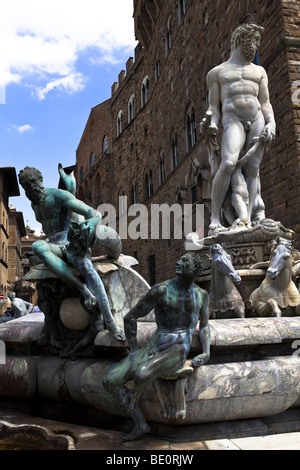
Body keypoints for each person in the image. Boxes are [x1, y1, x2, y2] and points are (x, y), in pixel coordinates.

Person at [103, 253, 210, 441]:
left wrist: (206, 352)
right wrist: (135, 349)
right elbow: (130, 317)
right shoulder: (161, 290)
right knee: (110, 381)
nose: (178, 261)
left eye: (184, 261)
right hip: (155, 345)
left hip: (178, 348)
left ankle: (133, 397)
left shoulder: (201, 295)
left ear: (195, 270)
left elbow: (205, 326)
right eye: (180, 259)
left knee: (142, 374)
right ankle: (140, 424)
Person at [18, 166, 125, 342]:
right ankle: (83, 290)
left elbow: (93, 212)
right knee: (37, 246)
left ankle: (110, 321)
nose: (29, 188)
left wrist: (91, 223)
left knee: (85, 267)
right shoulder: (34, 204)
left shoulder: (58, 195)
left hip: (70, 241)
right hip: (53, 244)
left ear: (40, 180)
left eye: (31, 182)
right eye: (25, 186)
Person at [201, 23, 276, 234]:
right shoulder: (217, 73)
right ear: (240, 40)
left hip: (257, 118)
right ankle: (215, 218)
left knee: (253, 170)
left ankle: (248, 220)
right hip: (232, 118)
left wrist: (271, 122)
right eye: (253, 41)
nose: (256, 46)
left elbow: (266, 103)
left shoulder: (259, 72)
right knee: (228, 163)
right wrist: (212, 123)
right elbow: (214, 109)